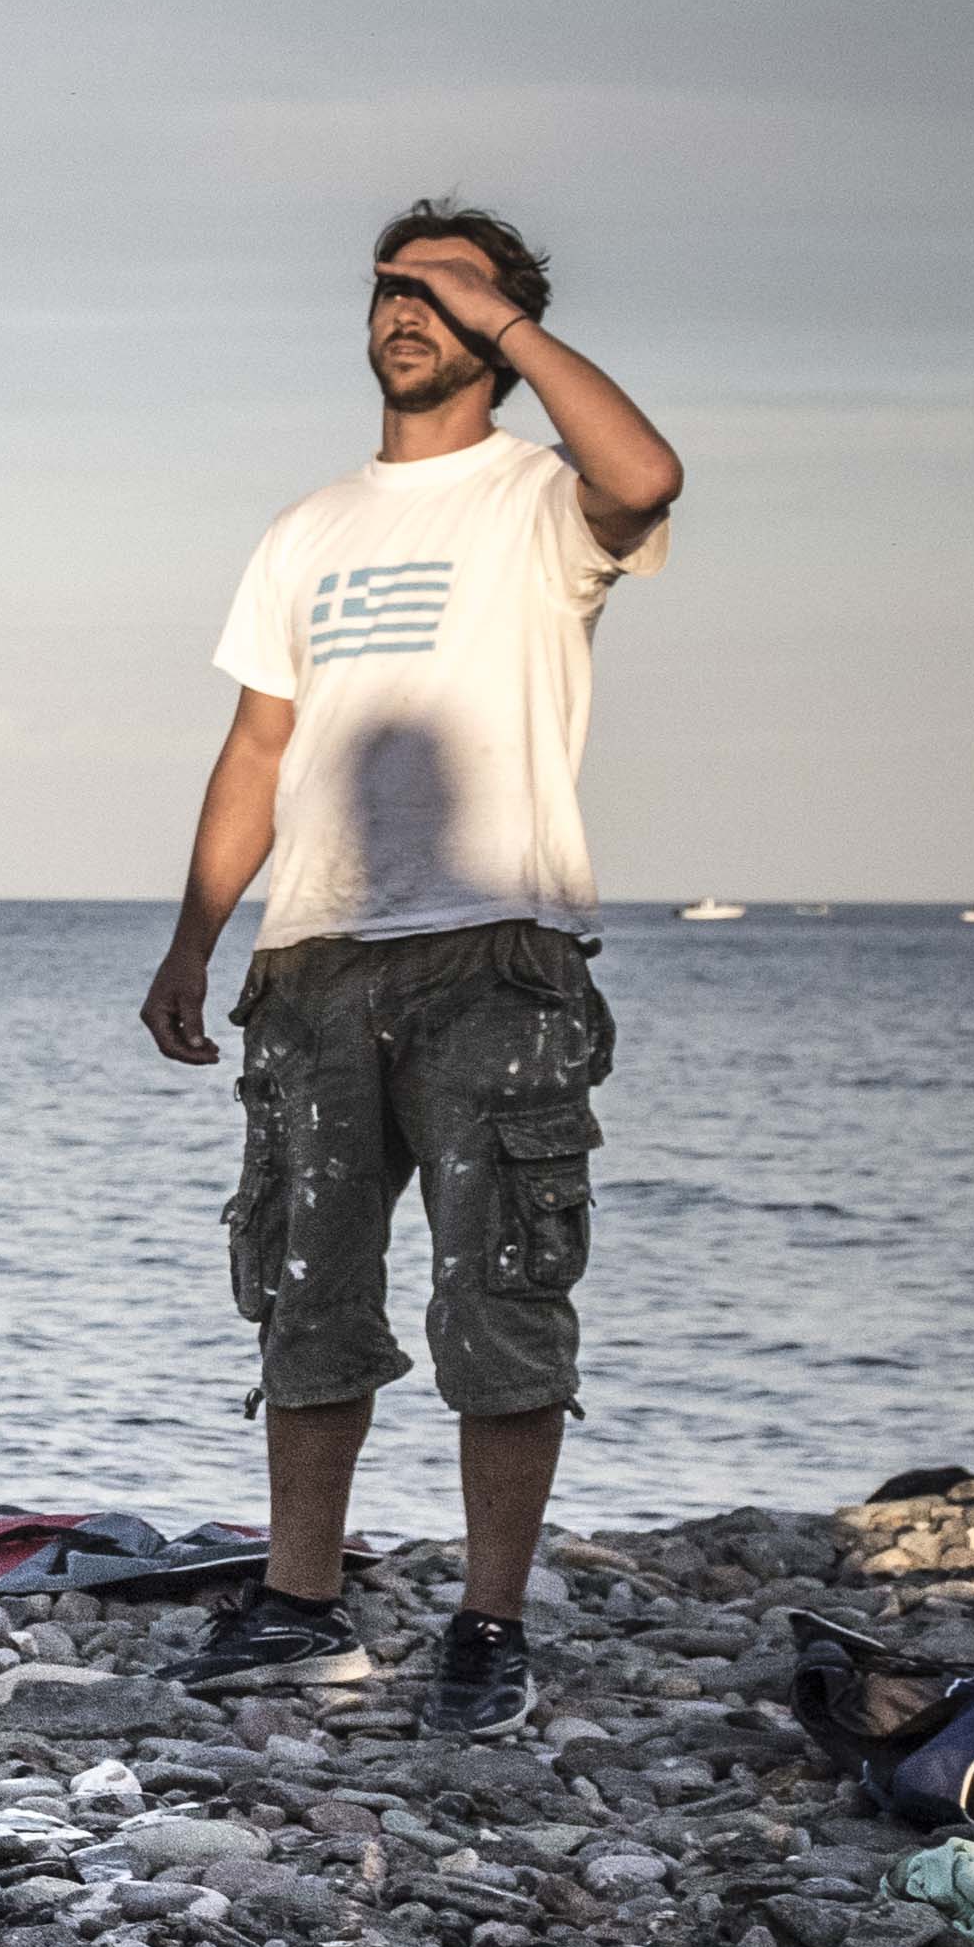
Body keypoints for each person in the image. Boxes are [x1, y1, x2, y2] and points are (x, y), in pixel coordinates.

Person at [143, 202, 683, 1740]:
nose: (406, 308)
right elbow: (258, 743)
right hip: (311, 966)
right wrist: (194, 936)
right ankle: (298, 1606)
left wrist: (499, 320)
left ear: (505, 325)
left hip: (491, 956)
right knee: (303, 1293)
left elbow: (647, 476)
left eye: (444, 289)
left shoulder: (539, 498)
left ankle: (486, 1625)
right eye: (390, 284)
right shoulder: (304, 527)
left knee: (498, 1292)